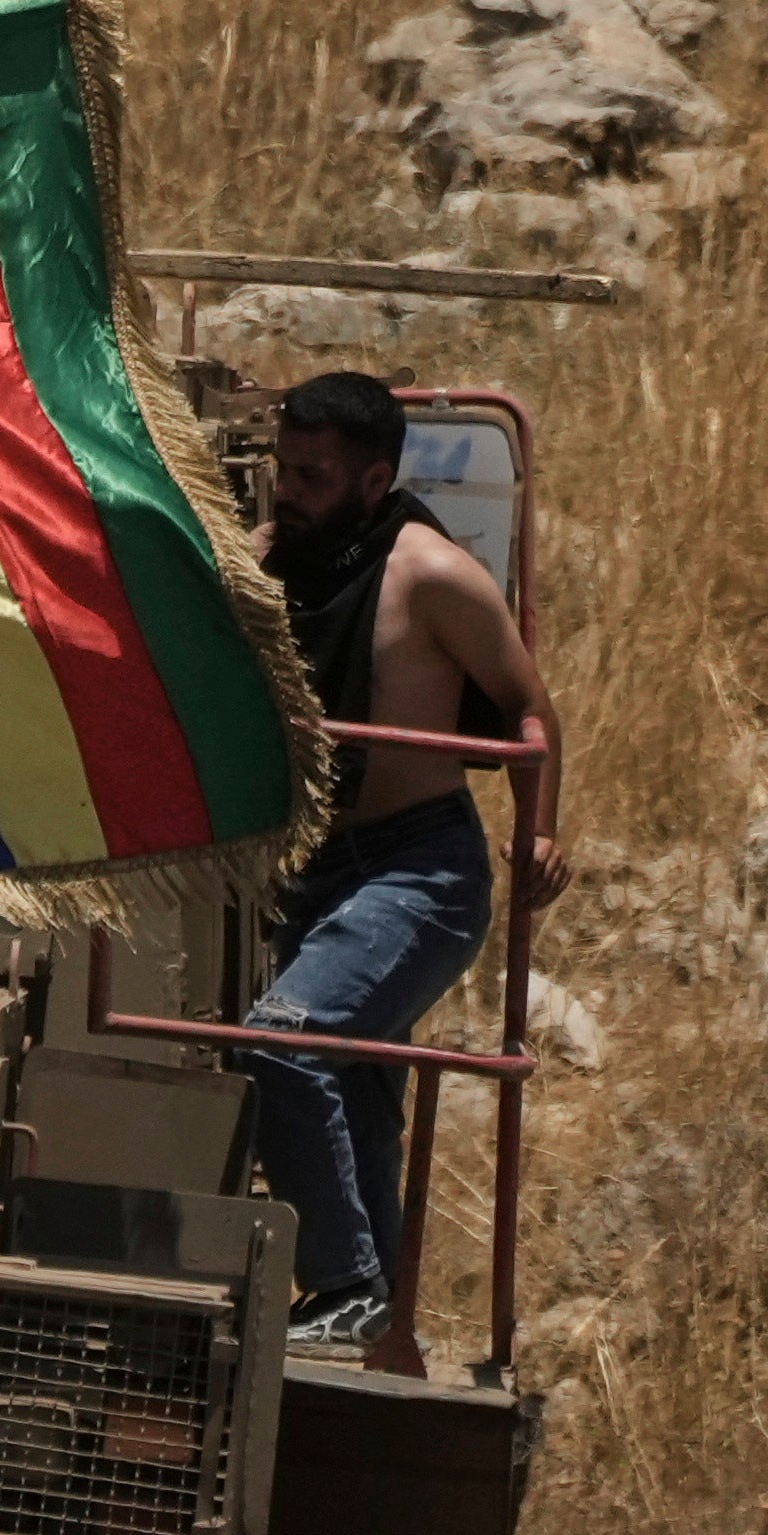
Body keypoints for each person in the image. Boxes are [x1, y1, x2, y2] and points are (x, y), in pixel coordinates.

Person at [246, 372, 562, 1351]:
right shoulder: (270, 562)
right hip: (308, 866)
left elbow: (528, 708)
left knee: (281, 1042)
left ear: (375, 478)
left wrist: (540, 828)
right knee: (355, 1096)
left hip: (416, 872)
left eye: (312, 474)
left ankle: (344, 1287)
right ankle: (383, 1341)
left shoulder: (430, 574)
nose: (287, 490)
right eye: (280, 469)